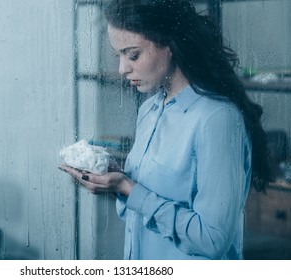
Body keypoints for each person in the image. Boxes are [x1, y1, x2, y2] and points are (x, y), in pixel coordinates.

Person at [60, 0, 274, 260]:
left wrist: (129, 188)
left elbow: (212, 239)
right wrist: (114, 180)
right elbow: (135, 216)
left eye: (133, 54)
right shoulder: (149, 109)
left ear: (170, 45)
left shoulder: (217, 119)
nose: (122, 68)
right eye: (119, 55)